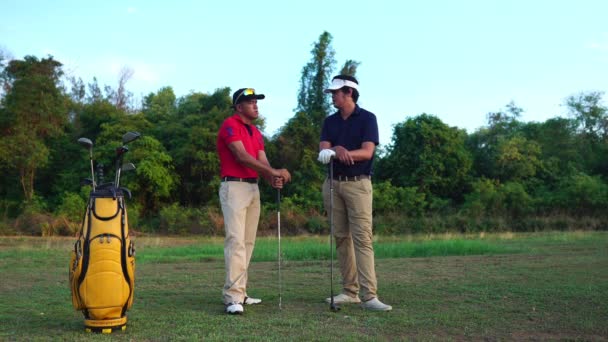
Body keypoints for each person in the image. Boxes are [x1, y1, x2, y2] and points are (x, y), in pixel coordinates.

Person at [317, 75, 392, 311]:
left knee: (362, 239)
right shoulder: (330, 121)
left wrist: (337, 151)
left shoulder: (368, 119)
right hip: (333, 183)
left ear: (349, 92)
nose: (332, 96)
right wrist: (338, 150)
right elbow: (323, 151)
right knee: (341, 238)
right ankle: (350, 292)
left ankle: (370, 296)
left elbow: (367, 152)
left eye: (336, 93)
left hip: (358, 184)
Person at [217, 88, 291, 315]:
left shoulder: (256, 132)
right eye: (250, 102)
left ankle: (241, 292)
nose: (255, 105)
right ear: (239, 107)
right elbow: (241, 156)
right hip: (234, 186)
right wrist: (272, 170)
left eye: (256, 102)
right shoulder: (230, 125)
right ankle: (232, 297)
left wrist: (273, 177)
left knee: (247, 242)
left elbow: (261, 160)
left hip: (252, 187)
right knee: (236, 241)